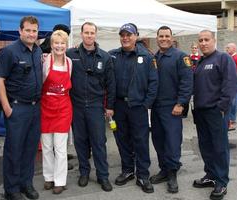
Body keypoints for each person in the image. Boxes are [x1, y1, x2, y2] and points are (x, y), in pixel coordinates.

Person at [109, 23, 158, 194]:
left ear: (136, 36)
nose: (125, 38)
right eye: (122, 35)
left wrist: (146, 104)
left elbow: (154, 83)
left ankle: (143, 175)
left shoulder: (147, 57)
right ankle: (128, 170)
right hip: (118, 106)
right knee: (122, 139)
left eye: (129, 35)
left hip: (138, 107)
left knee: (141, 141)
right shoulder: (113, 56)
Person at [66, 22, 115, 192]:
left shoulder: (105, 57)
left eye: (92, 32)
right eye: (86, 32)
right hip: (76, 105)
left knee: (99, 142)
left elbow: (111, 84)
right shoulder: (70, 54)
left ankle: (103, 176)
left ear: (95, 34)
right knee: (80, 142)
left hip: (95, 106)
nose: (89, 35)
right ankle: (84, 172)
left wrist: (109, 106)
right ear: (81, 34)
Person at [0, 16, 42, 200]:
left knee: (30, 149)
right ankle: (12, 189)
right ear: (20, 31)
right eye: (28, 30)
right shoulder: (9, 51)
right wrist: (7, 107)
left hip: (35, 108)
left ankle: (26, 184)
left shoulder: (38, 50)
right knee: (14, 150)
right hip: (17, 108)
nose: (32, 34)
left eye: (34, 31)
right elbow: (0, 80)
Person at [192, 30, 237, 200]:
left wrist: (222, 107)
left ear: (214, 40)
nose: (203, 43)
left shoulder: (223, 58)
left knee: (219, 147)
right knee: (205, 146)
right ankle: (210, 175)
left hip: (216, 112)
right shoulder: (201, 62)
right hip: (201, 112)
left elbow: (231, 85)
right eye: (200, 40)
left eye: (206, 39)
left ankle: (221, 181)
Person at [150, 26, 193, 193]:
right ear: (157, 37)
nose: (164, 39)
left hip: (172, 107)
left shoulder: (180, 57)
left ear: (172, 37)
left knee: (173, 141)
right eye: (161, 36)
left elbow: (187, 82)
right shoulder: (154, 57)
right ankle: (164, 169)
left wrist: (181, 103)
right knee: (158, 139)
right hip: (156, 107)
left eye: (167, 36)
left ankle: (173, 173)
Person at [41, 30, 72, 194]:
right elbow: (41, 82)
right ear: (51, 45)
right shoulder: (45, 61)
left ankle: (60, 180)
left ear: (66, 45)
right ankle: (48, 177)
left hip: (63, 108)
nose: (59, 46)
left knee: (60, 147)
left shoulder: (69, 63)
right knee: (46, 146)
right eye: (56, 43)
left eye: (62, 43)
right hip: (46, 107)